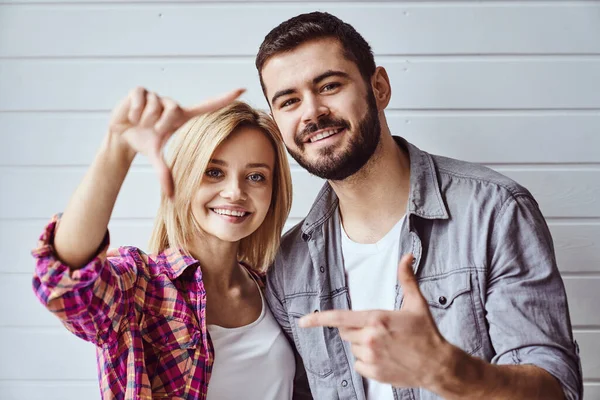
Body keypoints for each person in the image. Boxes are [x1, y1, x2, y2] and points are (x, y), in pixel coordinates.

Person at [256, 11, 583, 400]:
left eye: (328, 85)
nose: (311, 111)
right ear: (278, 124)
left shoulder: (493, 211)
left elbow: (557, 389)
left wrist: (452, 373)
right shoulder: (288, 266)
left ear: (378, 88)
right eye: (289, 100)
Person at [31, 87, 295, 400]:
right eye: (214, 172)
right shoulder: (142, 288)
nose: (235, 192)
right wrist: (118, 149)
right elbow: (64, 284)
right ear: (185, 176)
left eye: (255, 177)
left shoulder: (275, 289)